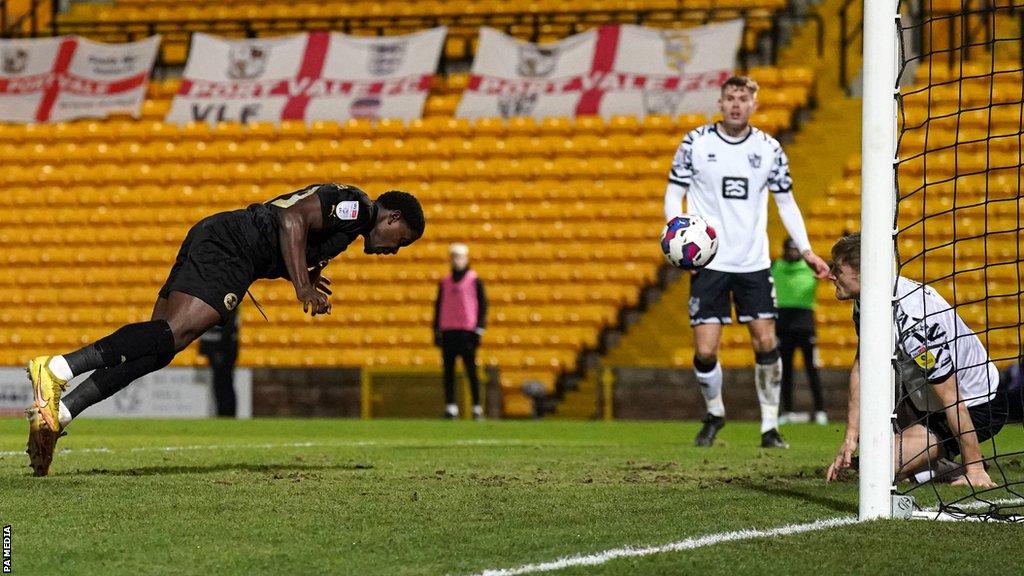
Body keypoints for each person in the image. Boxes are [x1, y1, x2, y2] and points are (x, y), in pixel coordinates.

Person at [25, 183, 425, 476]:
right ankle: (58, 368)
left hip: (224, 238)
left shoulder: (350, 229)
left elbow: (291, 224)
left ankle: (59, 412)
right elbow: (289, 218)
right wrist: (302, 285)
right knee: (171, 335)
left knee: (160, 346)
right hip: (233, 248)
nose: (394, 250)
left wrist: (303, 272)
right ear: (392, 217)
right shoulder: (358, 208)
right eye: (400, 240)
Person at [664, 75, 829, 448]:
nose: (736, 104)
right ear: (720, 103)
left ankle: (770, 426)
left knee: (766, 341)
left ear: (754, 105)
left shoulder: (769, 148)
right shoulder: (696, 143)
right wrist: (678, 236)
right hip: (709, 263)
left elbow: (786, 201)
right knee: (705, 350)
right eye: (730, 97)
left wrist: (805, 250)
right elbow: (675, 192)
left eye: (744, 98)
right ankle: (714, 414)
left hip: (754, 263)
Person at [825, 233, 1006, 488]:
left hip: (976, 406)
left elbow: (952, 397)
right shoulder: (866, 300)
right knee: (872, 463)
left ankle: (968, 462)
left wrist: (973, 469)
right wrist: (850, 437)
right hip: (924, 401)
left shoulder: (915, 321)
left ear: (864, 272)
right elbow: (862, 366)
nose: (830, 275)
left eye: (837, 269)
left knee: (873, 470)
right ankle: (933, 464)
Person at [771, 237, 827, 425]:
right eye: (790, 249)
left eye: (796, 249)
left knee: (812, 370)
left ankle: (820, 411)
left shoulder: (810, 268)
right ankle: (786, 411)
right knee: (785, 371)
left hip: (805, 325)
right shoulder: (775, 266)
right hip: (783, 325)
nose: (794, 252)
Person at [433, 243, 487, 420]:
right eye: (454, 257)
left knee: (471, 371)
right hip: (449, 330)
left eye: (460, 257)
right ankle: (451, 406)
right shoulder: (445, 281)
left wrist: (479, 329)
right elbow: (439, 305)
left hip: (467, 330)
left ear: (466, 258)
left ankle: (477, 406)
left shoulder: (474, 279)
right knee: (448, 371)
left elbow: (483, 305)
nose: (457, 261)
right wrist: (436, 330)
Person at [198, 311, 240, 417]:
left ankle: (227, 414)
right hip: (220, 347)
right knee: (220, 383)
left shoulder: (226, 298)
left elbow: (228, 325)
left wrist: (221, 348)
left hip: (223, 348)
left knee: (223, 383)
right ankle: (224, 414)